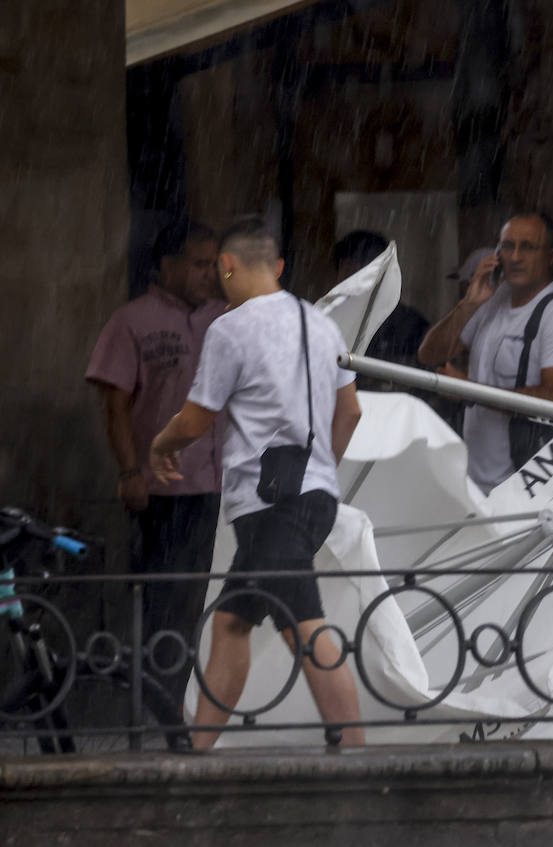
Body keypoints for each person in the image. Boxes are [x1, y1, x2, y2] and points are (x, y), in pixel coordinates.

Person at [149, 217, 364, 748]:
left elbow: (197, 418)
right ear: (280, 267)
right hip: (312, 497)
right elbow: (351, 412)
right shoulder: (321, 323)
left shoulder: (231, 328)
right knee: (232, 623)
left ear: (227, 266)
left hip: (270, 503)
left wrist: (160, 446)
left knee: (302, 622)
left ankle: (359, 752)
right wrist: (322, 471)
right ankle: (200, 752)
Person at [85, 219, 225, 701]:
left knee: (211, 597)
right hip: (162, 490)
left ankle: (199, 698)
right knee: (164, 598)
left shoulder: (225, 319)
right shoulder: (132, 321)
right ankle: (159, 701)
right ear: (167, 266)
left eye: (214, 265)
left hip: (221, 487)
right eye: (199, 264)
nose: (209, 274)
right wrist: (129, 472)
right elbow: (116, 404)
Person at [417, 212, 553, 494]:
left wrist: (470, 391)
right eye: (507, 246)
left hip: (522, 482)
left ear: (552, 256)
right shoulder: (494, 296)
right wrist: (469, 303)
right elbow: (430, 354)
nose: (515, 257)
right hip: (474, 477)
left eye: (528, 247)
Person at [331, 230, 430, 392]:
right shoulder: (332, 321)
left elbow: (417, 381)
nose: (343, 280)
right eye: (342, 270)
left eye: (350, 271)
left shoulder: (409, 325)